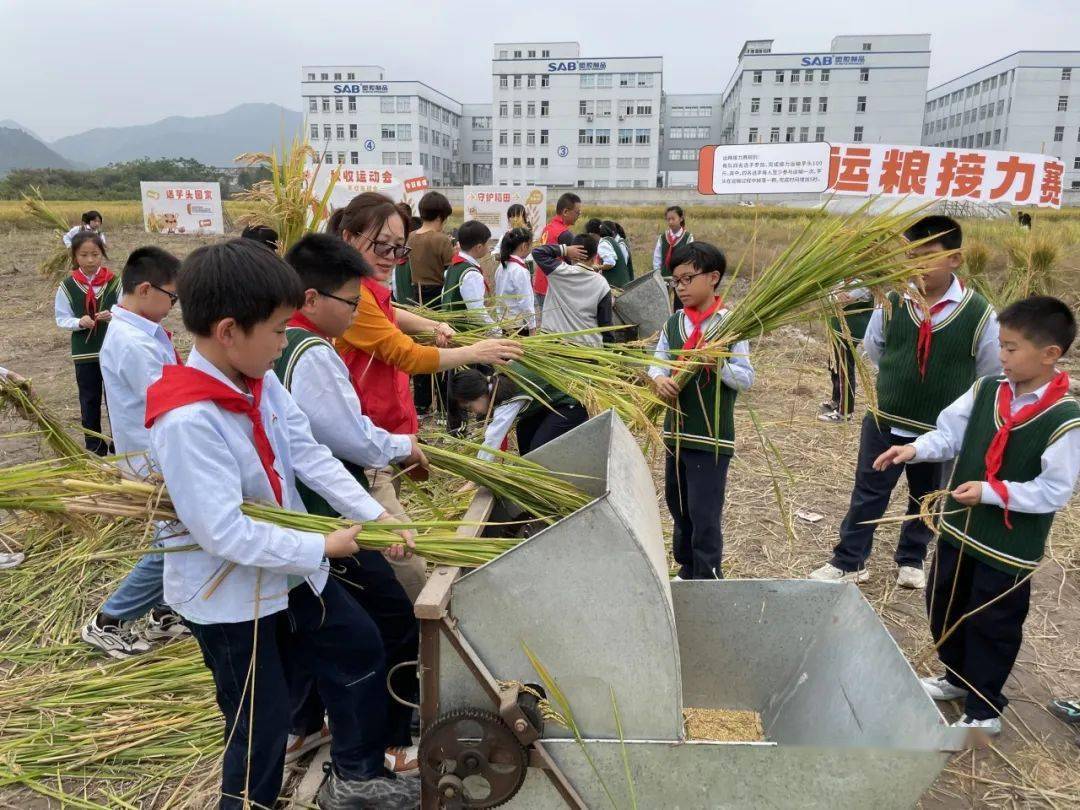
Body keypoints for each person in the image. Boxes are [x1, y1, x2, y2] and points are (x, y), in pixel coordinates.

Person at [145, 239, 418, 810]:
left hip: (290, 569)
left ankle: (358, 777)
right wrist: (324, 542)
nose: (284, 342)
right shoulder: (188, 419)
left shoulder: (259, 380)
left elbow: (310, 454)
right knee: (260, 725)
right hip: (230, 593)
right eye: (276, 330)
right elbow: (223, 533)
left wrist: (377, 517)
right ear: (228, 331)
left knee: (358, 644)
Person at [874, 296, 1080, 737]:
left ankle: (985, 707)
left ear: (1049, 355)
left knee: (992, 621)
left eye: (1011, 348)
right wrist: (914, 448)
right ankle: (954, 677)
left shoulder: (1066, 419)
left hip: (1007, 548)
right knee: (945, 602)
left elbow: (1054, 491)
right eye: (1001, 347)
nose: (1001, 356)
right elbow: (949, 434)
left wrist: (990, 492)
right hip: (958, 531)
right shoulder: (988, 390)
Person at [280, 233, 426, 773]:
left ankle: (305, 724)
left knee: (310, 625)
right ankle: (383, 742)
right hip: (324, 514)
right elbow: (347, 441)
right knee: (389, 620)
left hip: (314, 512)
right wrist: (402, 448)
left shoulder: (283, 345)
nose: (358, 310)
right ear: (312, 298)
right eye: (351, 300)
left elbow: (305, 445)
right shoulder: (309, 351)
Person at [331, 193, 522, 597]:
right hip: (366, 440)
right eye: (381, 245)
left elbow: (391, 315)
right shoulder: (347, 296)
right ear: (349, 238)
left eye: (398, 248)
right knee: (407, 556)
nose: (390, 257)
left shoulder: (367, 288)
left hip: (387, 434)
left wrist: (431, 324)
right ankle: (426, 632)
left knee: (378, 549)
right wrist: (475, 351)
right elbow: (404, 354)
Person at [811, 216, 1000, 589]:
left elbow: (988, 371)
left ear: (955, 259)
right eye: (910, 257)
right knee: (868, 492)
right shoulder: (892, 302)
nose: (917, 266)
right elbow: (876, 348)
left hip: (938, 430)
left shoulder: (979, 314)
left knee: (926, 498)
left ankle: (912, 559)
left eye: (928, 256)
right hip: (886, 421)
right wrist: (900, 383)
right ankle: (850, 560)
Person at [80, 247, 189, 658]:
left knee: (176, 537)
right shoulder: (131, 343)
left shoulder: (140, 331)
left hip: (154, 453)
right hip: (152, 458)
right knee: (176, 540)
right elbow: (168, 401)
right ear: (146, 289)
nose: (173, 306)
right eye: (172, 298)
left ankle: (164, 612)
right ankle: (108, 621)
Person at [648, 242, 754, 580]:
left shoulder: (730, 326)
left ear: (713, 278)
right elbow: (657, 362)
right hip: (675, 433)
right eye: (676, 281)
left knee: (703, 510)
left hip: (711, 439)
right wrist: (658, 380)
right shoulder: (673, 323)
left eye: (687, 279)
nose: (681, 288)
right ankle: (686, 566)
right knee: (678, 506)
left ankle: (708, 573)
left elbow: (745, 378)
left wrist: (718, 364)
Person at [55, 232, 121, 456]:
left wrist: (112, 314)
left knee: (116, 399)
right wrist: (78, 321)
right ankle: (95, 446)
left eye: (95, 254)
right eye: (84, 255)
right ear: (75, 256)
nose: (90, 260)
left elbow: (125, 309)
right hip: (84, 353)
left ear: (102, 254)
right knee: (89, 399)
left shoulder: (114, 282)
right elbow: (61, 317)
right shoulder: (67, 285)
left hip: (112, 349)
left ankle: (119, 442)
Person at [451, 365, 587, 460]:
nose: (473, 412)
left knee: (539, 449)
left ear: (478, 396)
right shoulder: (497, 380)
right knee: (524, 428)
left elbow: (493, 438)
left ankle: (544, 478)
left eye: (470, 407)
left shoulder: (507, 396)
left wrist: (476, 475)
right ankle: (528, 470)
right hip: (552, 405)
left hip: (573, 404)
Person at [408, 194, 457, 415]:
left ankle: (421, 402)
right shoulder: (441, 240)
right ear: (441, 216)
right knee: (441, 349)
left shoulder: (410, 237)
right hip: (437, 296)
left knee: (418, 348)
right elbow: (451, 271)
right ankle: (445, 403)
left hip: (413, 296)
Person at [531, 235, 611, 348]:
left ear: (572, 255)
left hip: (554, 345)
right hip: (586, 347)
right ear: (595, 257)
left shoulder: (558, 272)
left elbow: (537, 252)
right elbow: (606, 324)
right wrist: (610, 351)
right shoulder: (602, 284)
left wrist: (565, 250)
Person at [819, 282, 874, 423]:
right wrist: (834, 294)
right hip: (838, 327)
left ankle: (845, 413)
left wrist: (835, 295)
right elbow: (831, 296)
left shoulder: (864, 280)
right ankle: (836, 400)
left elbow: (842, 299)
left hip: (849, 331)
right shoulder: (847, 278)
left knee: (844, 369)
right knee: (834, 365)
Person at [440, 220, 495, 327]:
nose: (489, 247)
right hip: (464, 331)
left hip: (450, 327)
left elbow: (444, 296)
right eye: (488, 243)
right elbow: (477, 311)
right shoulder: (471, 274)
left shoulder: (454, 266)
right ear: (479, 247)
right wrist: (495, 329)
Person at [533, 192, 582, 309]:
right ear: (565, 212)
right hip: (553, 288)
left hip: (540, 284)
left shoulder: (548, 227)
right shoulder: (564, 234)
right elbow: (575, 264)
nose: (579, 215)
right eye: (577, 212)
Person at [494, 227, 537, 335]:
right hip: (518, 326)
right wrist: (532, 327)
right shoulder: (520, 270)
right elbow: (525, 302)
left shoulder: (502, 266)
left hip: (504, 322)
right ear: (524, 246)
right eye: (530, 245)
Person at [585, 219, 631, 290]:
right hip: (622, 283)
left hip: (615, 285)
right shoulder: (610, 240)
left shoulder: (603, 244)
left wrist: (597, 267)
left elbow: (610, 263)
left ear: (591, 234)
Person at [653, 205, 693, 279]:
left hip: (681, 278)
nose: (670, 222)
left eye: (673, 219)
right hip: (664, 278)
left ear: (681, 219)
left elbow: (689, 259)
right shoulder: (662, 237)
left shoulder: (688, 237)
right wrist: (657, 275)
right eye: (668, 219)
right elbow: (657, 258)